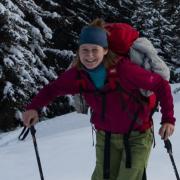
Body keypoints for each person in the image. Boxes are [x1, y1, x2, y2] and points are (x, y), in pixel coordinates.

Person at [23, 19, 175, 180]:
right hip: (106, 137)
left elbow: (160, 85)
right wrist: (34, 107)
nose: (89, 56)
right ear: (79, 51)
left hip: (137, 137)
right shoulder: (78, 75)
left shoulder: (124, 70)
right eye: (85, 50)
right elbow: (53, 89)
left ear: (105, 50)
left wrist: (168, 119)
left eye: (94, 50)